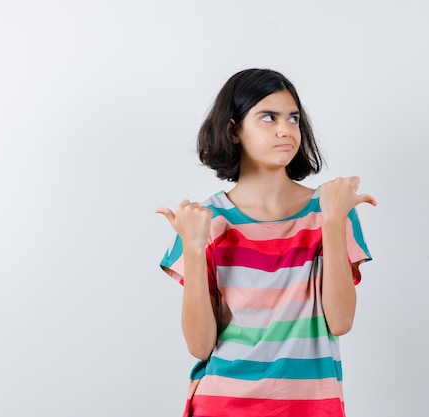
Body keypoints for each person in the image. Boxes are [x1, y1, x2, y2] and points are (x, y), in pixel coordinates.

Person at [156, 68, 376, 417]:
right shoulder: (207, 219)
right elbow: (199, 346)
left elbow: (340, 322)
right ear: (233, 129)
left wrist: (332, 222)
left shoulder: (333, 209)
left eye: (293, 119)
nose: (285, 129)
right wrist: (194, 251)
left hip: (310, 407)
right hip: (222, 404)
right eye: (268, 117)